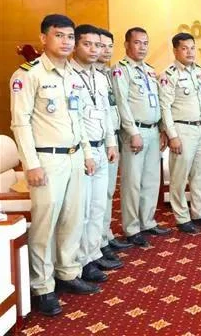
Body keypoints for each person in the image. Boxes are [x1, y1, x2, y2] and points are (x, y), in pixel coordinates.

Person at [10, 14, 99, 316]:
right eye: (59, 35)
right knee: (46, 224)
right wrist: (31, 164)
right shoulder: (28, 75)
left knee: (73, 219)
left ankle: (68, 271)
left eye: (70, 37)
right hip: (46, 160)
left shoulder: (73, 74)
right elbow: (19, 124)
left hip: (75, 157)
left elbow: (80, 119)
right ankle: (43, 286)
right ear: (43, 38)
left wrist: (87, 152)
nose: (66, 42)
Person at [71, 25, 123, 283]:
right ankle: (80, 261)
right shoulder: (68, 76)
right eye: (88, 44)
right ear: (76, 46)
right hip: (83, 151)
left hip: (103, 146)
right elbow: (74, 119)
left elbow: (105, 114)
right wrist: (87, 151)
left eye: (99, 45)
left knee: (98, 205)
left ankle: (92, 255)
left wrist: (111, 143)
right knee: (83, 210)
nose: (95, 50)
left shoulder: (100, 78)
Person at [112, 27, 169, 247]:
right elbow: (122, 103)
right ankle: (132, 227)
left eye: (145, 43)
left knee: (151, 180)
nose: (142, 47)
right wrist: (133, 132)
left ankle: (148, 221)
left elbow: (159, 102)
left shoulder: (149, 70)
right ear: (126, 45)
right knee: (132, 182)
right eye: (137, 43)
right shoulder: (120, 70)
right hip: (134, 132)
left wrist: (162, 128)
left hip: (153, 131)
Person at [158, 32, 201, 234]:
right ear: (175, 50)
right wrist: (172, 135)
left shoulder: (200, 72)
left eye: (192, 48)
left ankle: (200, 213)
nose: (190, 52)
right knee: (179, 176)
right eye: (185, 48)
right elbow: (164, 106)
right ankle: (182, 217)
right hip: (182, 129)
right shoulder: (169, 75)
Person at [95, 28, 133, 263]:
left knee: (108, 193)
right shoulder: (85, 76)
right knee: (97, 197)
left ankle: (105, 236)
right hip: (93, 143)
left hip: (112, 138)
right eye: (100, 46)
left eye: (109, 46)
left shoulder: (108, 74)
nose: (105, 50)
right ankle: (97, 245)